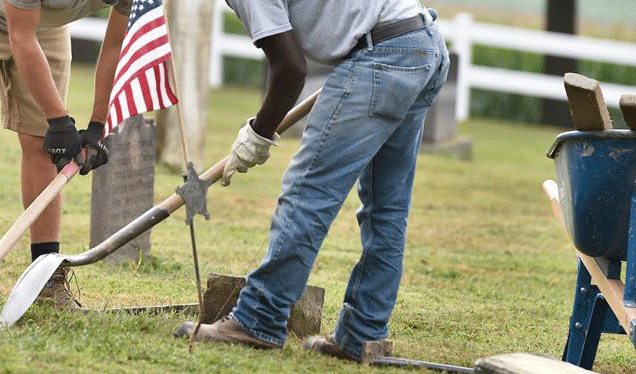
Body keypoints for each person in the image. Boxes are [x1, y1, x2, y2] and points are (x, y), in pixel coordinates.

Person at [174, 0, 450, 362]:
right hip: (422, 42)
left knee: (308, 193)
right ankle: (363, 334)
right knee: (387, 207)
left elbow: (290, 68)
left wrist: (259, 133)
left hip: (382, 53)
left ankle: (259, 317)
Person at [0, 0, 131, 308]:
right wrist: (60, 122)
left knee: (40, 143)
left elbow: (117, 44)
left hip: (44, 24)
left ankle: (46, 277)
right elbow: (20, 36)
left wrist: (97, 125)